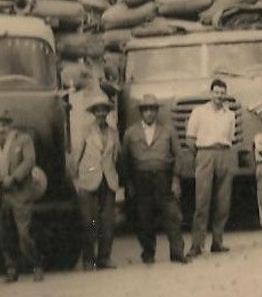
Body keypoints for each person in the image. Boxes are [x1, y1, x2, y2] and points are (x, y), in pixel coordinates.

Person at [119, 94, 190, 265]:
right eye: (146, 110)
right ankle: (148, 253)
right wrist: (128, 183)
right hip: (141, 179)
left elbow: (178, 155)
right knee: (144, 217)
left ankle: (177, 252)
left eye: (152, 109)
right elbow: (124, 160)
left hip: (163, 177)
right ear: (141, 112)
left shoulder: (168, 131)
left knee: (172, 215)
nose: (149, 113)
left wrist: (175, 179)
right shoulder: (131, 133)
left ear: (157, 112)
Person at [0, 107, 43, 282]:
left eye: (3, 125)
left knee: (24, 234)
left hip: (19, 194)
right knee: (4, 236)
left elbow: (29, 161)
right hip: (0, 196)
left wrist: (14, 178)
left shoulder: (23, 140)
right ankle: (11, 269)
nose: (0, 129)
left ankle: (36, 265)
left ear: (9, 126)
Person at [185, 78, 238, 256]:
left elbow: (231, 138)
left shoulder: (230, 115)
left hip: (224, 152)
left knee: (223, 201)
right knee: (202, 201)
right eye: (216, 92)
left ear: (226, 95)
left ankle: (217, 241)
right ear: (211, 93)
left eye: (222, 93)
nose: (219, 96)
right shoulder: (199, 112)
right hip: (205, 153)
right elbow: (190, 139)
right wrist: (202, 156)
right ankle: (196, 245)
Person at [70, 95, 122, 271]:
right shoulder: (85, 131)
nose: (101, 113)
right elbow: (75, 156)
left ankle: (104, 258)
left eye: (104, 110)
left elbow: (116, 156)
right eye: (98, 110)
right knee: (89, 222)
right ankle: (89, 259)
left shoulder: (114, 132)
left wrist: (114, 175)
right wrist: (76, 179)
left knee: (108, 222)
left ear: (108, 112)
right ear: (93, 113)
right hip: (88, 180)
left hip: (108, 180)